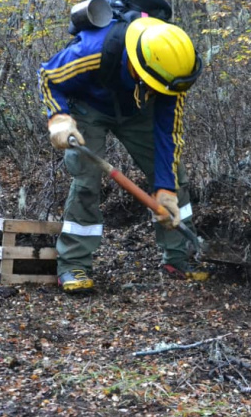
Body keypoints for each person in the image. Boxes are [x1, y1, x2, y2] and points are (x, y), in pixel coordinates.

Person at [39, 15, 206, 293]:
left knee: (174, 178)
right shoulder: (91, 51)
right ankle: (73, 264)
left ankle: (178, 257)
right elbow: (48, 77)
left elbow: (168, 134)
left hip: (138, 108)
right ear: (139, 69)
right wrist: (58, 118)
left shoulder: (172, 75)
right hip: (89, 107)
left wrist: (165, 188)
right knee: (86, 180)